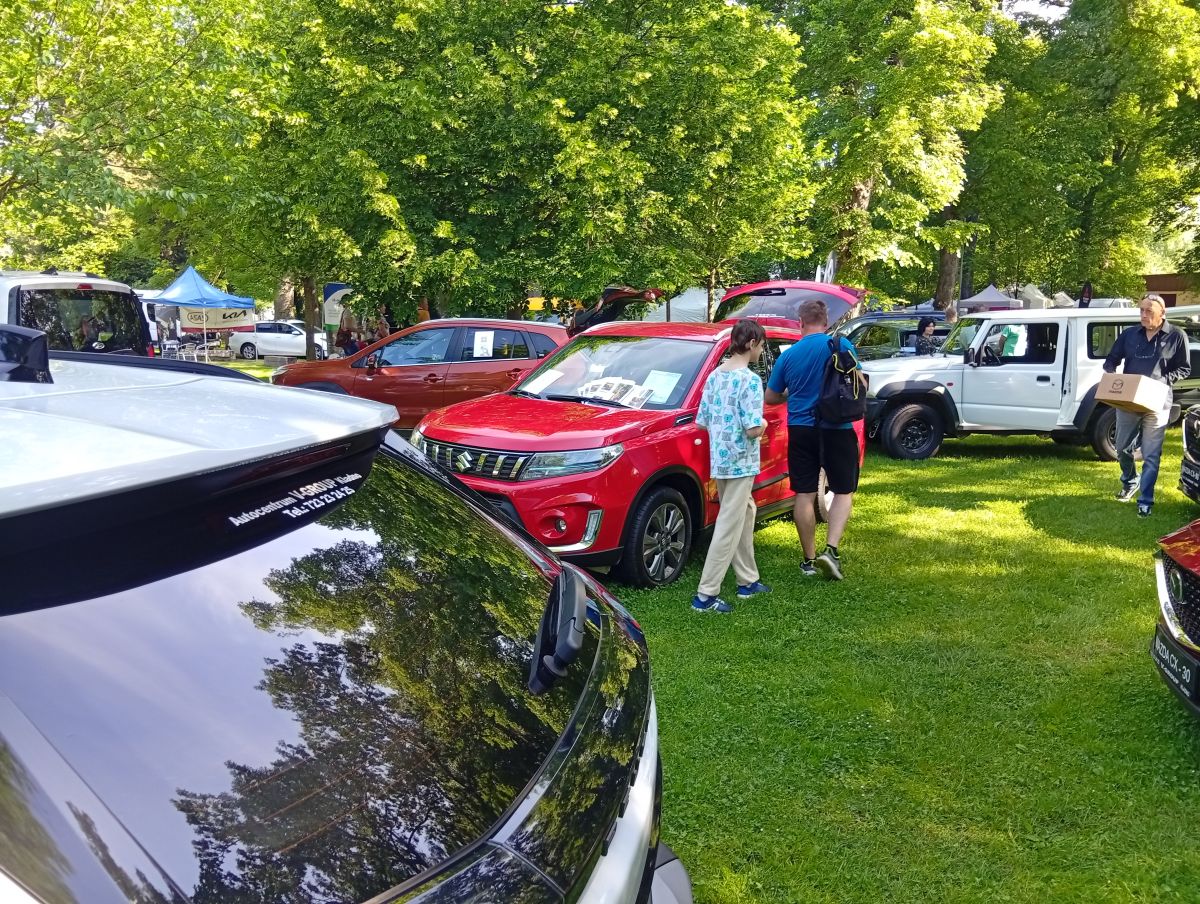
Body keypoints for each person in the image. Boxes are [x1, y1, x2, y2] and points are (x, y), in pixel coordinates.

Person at [765, 299, 860, 580]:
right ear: (826, 322)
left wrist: (790, 394)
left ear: (801, 323)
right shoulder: (841, 345)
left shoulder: (789, 355)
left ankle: (808, 560)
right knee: (843, 490)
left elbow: (771, 396)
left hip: (801, 428)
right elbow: (860, 382)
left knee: (804, 493)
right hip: (837, 426)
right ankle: (831, 550)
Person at [691, 320, 770, 613]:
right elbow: (752, 429)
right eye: (761, 346)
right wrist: (764, 424)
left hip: (721, 459)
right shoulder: (750, 380)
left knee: (744, 513)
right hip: (741, 462)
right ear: (751, 343)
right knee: (728, 524)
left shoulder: (715, 376)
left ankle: (747, 580)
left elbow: (702, 421)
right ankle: (705, 595)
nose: (761, 352)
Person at [1103, 293, 1190, 517]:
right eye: (1141, 310)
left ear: (1162, 313)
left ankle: (1146, 500)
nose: (1143, 315)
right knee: (1121, 448)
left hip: (1158, 402)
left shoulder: (1177, 336)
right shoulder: (1129, 334)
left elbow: (1184, 368)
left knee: (1151, 454)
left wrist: (1163, 380)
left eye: (1149, 311)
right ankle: (1130, 480)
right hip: (1129, 401)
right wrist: (1111, 373)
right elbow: (1111, 360)